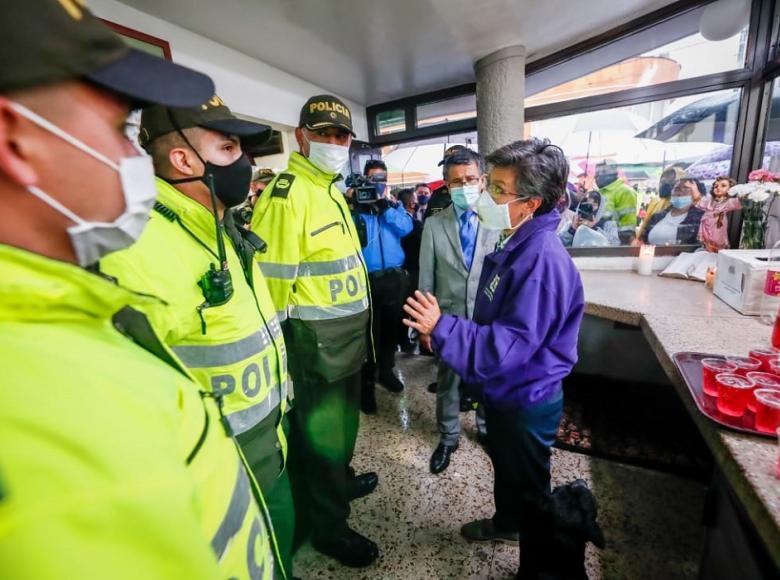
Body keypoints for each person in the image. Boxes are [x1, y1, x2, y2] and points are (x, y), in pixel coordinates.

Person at [0, 2, 277, 578]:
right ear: (16, 140)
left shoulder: (65, 310)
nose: (133, 158)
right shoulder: (30, 391)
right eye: (118, 130)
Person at [99, 97, 294, 576]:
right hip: (219, 476)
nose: (246, 164)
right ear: (184, 160)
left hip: (269, 447)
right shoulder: (134, 250)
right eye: (228, 149)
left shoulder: (219, 225)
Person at [404, 138, 584, 577]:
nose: (486, 197)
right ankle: (508, 525)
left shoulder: (539, 260)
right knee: (508, 472)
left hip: (526, 398)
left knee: (529, 489)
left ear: (531, 203)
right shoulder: (517, 241)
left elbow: (506, 346)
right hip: (506, 393)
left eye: (499, 190)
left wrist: (441, 327)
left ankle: (537, 567)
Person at [250, 94, 379, 568]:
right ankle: (329, 527)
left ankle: (339, 483)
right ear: (301, 135)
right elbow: (271, 291)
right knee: (321, 444)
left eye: (340, 135)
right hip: (315, 352)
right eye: (322, 133)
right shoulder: (287, 196)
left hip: (346, 345)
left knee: (341, 433)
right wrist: (281, 366)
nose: (332, 142)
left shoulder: (329, 189)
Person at [418, 147, 499, 474]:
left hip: (487, 321)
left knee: (488, 381)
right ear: (446, 186)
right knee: (448, 382)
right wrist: (425, 327)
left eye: (469, 179)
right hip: (446, 320)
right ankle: (449, 436)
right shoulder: (435, 226)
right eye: (455, 182)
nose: (463, 186)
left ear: (481, 181)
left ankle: (487, 429)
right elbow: (426, 278)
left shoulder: (498, 221)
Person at [354, 159, 413, 408]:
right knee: (368, 334)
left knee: (390, 331)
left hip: (393, 278)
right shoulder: (355, 209)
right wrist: (356, 204)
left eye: (382, 179)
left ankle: (386, 372)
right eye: (373, 179)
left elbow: (406, 228)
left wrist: (384, 207)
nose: (378, 184)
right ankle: (367, 384)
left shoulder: (394, 206)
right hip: (364, 280)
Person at [642, 178, 705, 246]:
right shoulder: (657, 217)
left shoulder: (701, 218)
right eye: (677, 189)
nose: (680, 193)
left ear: (696, 194)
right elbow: (643, 241)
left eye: (686, 189)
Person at [398, 187, 423, 353]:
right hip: (414, 271)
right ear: (412, 203)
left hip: (400, 271)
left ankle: (403, 339)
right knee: (413, 307)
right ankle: (409, 339)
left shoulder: (395, 223)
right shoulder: (414, 225)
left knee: (403, 309)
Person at [595, 160, 638, 244]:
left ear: (613, 172)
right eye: (597, 172)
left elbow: (627, 228)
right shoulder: (599, 192)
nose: (597, 176)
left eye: (603, 171)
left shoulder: (625, 191)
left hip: (615, 246)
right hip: (598, 241)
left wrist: (620, 248)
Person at [698, 176, 740, 251]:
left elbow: (738, 202)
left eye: (723, 186)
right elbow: (699, 202)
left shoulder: (728, 202)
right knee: (707, 242)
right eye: (716, 186)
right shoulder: (710, 200)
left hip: (718, 224)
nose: (718, 188)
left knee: (718, 238)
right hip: (707, 223)